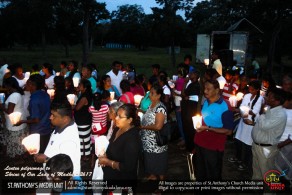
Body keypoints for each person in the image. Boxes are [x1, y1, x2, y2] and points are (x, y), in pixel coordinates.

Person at [194, 79, 234, 180]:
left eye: (208, 89)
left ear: (217, 90)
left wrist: (208, 128)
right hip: (200, 142)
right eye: (205, 88)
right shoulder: (206, 101)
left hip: (213, 147)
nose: (205, 91)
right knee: (200, 172)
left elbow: (228, 131)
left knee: (213, 174)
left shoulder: (225, 106)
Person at [98, 104, 141, 193]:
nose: (116, 118)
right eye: (117, 115)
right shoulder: (117, 128)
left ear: (130, 120)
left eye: (120, 117)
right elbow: (112, 147)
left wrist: (108, 162)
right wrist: (105, 154)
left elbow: (128, 167)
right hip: (111, 176)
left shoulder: (132, 139)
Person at [34, 102, 81, 176]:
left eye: (54, 116)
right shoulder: (61, 125)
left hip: (62, 180)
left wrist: (45, 159)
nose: (50, 117)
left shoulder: (69, 140)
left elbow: (64, 166)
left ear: (65, 119)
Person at [251, 88, 287, 180]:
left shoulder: (280, 114)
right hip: (257, 146)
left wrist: (262, 113)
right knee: (257, 171)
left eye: (269, 96)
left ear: (277, 101)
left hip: (266, 148)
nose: (266, 98)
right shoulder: (271, 109)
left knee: (267, 173)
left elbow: (264, 126)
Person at [230, 80, 264, 172]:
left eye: (253, 89)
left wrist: (241, 110)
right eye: (250, 89)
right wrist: (241, 110)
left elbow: (254, 112)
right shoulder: (247, 96)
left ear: (257, 90)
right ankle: (237, 157)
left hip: (250, 123)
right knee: (238, 140)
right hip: (243, 121)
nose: (250, 91)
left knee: (248, 144)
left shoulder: (260, 99)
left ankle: (245, 162)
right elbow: (243, 106)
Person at [17, 74, 51, 153]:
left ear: (33, 85)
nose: (26, 84)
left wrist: (22, 121)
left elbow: (36, 120)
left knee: (38, 154)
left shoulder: (34, 100)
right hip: (47, 128)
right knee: (44, 150)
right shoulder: (45, 94)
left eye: (28, 83)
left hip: (38, 131)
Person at [140, 84, 168, 180]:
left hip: (156, 141)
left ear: (159, 95)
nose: (149, 95)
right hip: (148, 141)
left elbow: (158, 126)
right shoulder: (151, 104)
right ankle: (152, 175)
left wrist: (143, 127)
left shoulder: (160, 108)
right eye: (149, 93)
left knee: (159, 162)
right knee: (150, 159)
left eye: (152, 93)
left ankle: (161, 184)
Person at [0, 77, 27, 159]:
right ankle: (20, 157)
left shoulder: (14, 96)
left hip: (14, 123)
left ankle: (17, 158)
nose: (5, 88)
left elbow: (10, 111)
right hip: (19, 121)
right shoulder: (18, 93)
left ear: (9, 86)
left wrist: (1, 106)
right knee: (19, 142)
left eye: (5, 86)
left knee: (15, 142)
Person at [181, 70, 201, 152]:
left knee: (190, 129)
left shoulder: (196, 85)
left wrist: (185, 83)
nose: (189, 75)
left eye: (191, 74)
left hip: (191, 110)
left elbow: (183, 94)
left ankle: (191, 148)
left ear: (196, 75)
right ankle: (188, 146)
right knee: (187, 129)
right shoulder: (192, 84)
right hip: (188, 109)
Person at [74, 79, 92, 161]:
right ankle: (87, 154)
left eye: (80, 85)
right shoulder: (86, 94)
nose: (79, 86)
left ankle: (84, 155)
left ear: (85, 87)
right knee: (86, 138)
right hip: (86, 119)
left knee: (82, 139)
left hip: (82, 120)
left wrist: (72, 106)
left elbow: (77, 108)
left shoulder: (85, 97)